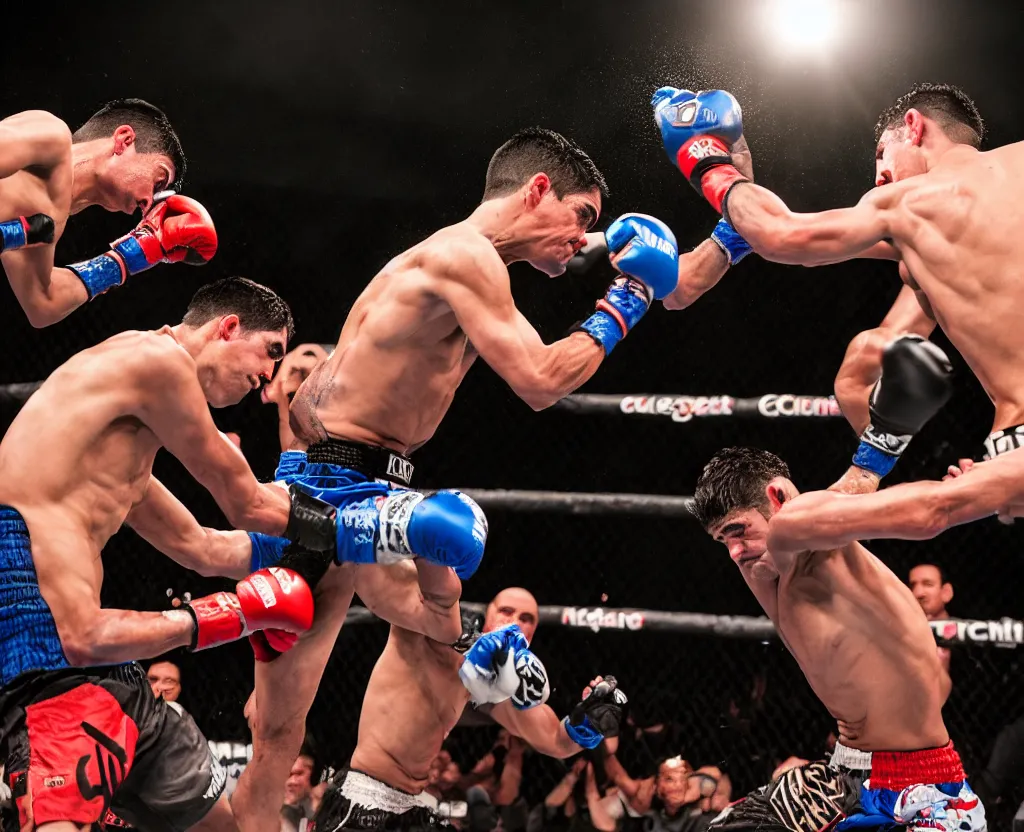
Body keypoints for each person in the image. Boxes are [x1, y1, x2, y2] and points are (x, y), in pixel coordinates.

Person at [232, 125, 696, 832]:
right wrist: (628, 299)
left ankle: (537, 710)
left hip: (360, 481)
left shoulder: (463, 260)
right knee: (276, 729)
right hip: (337, 488)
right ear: (538, 189)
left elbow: (316, 399)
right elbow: (541, 382)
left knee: (424, 633)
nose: (582, 239)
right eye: (582, 218)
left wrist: (631, 249)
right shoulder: (465, 255)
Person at [0, 276, 365, 832]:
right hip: (47, 665)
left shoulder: (115, 454)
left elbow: (203, 547)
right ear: (228, 327)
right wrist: (369, 527)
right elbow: (243, 501)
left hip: (105, 671)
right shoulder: (155, 360)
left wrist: (299, 560)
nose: (267, 375)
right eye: (270, 351)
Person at [651, 82, 1024, 475]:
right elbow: (778, 241)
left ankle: (881, 475)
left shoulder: (906, 203)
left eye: (883, 154)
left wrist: (707, 161)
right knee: (863, 359)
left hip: (1015, 434)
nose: (879, 176)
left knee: (798, 526)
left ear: (913, 127)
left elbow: (783, 236)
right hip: (1003, 446)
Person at [691, 446, 985, 831]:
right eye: (721, 541)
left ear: (778, 498)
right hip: (842, 777)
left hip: (921, 786)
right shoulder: (763, 568)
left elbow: (894, 501)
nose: (733, 552)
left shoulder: (809, 533)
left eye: (738, 531)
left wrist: (974, 492)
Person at [308, 581, 627, 832]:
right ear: (488, 614)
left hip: (411, 804)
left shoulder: (502, 684)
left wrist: (587, 722)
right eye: (506, 612)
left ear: (534, 632)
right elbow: (395, 589)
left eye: (526, 619)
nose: (514, 622)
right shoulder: (438, 629)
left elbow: (555, 740)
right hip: (363, 793)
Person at [0, 99, 218, 327]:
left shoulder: (46, 223)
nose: (150, 202)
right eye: (158, 180)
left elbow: (43, 304)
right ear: (124, 140)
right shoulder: (52, 136)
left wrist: (128, 257)